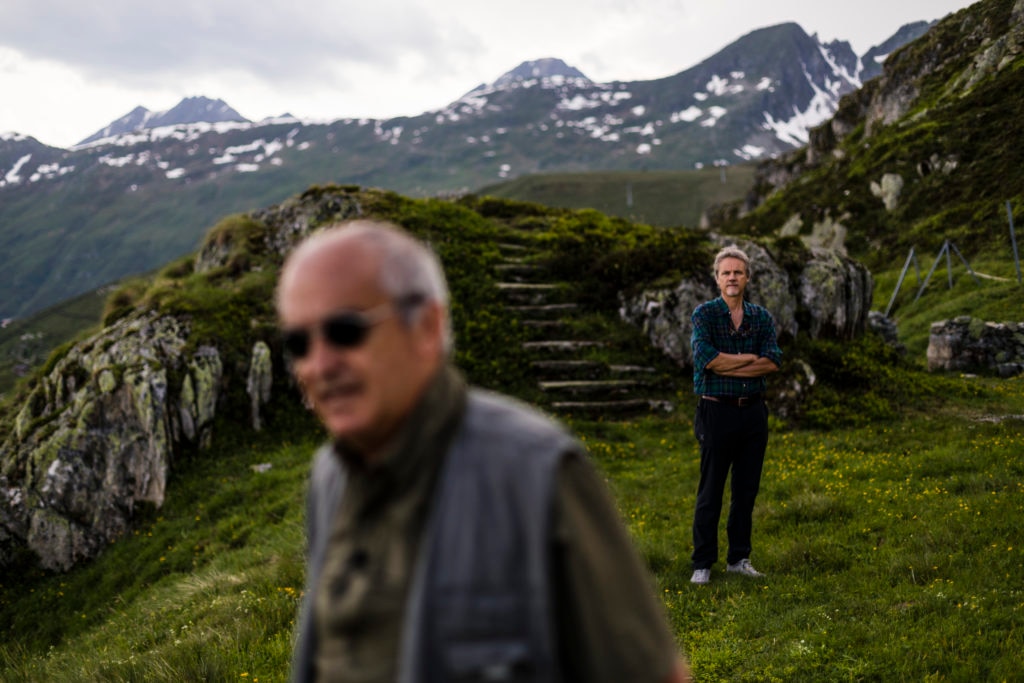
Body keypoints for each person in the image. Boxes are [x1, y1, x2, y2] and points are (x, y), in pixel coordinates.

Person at [276, 218, 692, 683]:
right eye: (298, 343)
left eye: (346, 330)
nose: (320, 365)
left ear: (427, 326)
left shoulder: (537, 470)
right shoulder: (329, 478)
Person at [688, 245, 782, 586]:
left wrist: (731, 361)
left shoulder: (761, 317)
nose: (732, 277)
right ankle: (702, 563)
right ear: (717, 278)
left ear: (747, 278)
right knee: (710, 490)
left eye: (738, 272)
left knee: (746, 491)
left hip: (753, 414)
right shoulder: (704, 315)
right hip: (716, 411)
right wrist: (748, 359)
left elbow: (772, 361)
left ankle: (739, 559)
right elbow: (707, 361)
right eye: (726, 272)